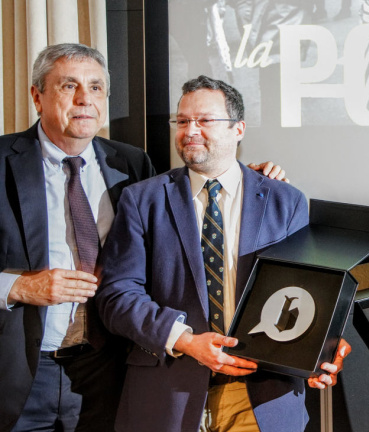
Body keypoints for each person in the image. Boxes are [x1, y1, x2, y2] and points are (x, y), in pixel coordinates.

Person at [0, 43, 289, 432]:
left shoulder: (130, 164)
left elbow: (177, 215)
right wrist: (18, 287)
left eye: (96, 87)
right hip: (19, 373)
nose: (85, 99)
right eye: (69, 86)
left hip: (109, 371)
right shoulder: (2, 162)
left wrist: (241, 177)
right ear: (37, 96)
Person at [94, 75, 349, 432]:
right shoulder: (142, 200)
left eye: (204, 120)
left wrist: (324, 347)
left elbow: (306, 295)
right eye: (183, 121)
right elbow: (116, 296)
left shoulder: (284, 201)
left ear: (238, 129)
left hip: (261, 397)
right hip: (169, 395)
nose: (190, 131)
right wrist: (184, 340)